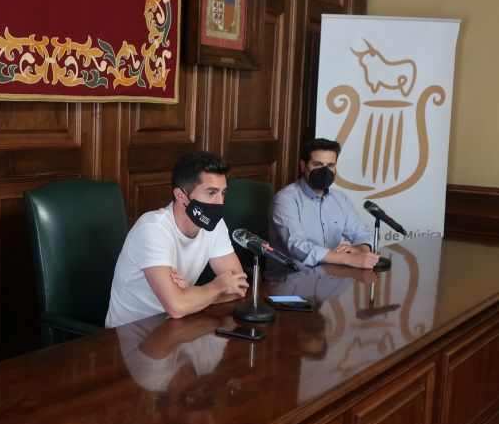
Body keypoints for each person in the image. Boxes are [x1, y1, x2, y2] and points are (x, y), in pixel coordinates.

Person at [105, 152, 248, 328]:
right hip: (127, 336)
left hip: (175, 327)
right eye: (211, 193)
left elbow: (239, 287)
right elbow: (177, 307)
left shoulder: (215, 225)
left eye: (223, 193)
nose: (219, 202)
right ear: (181, 195)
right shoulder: (152, 229)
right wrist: (218, 287)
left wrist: (192, 295)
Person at [269, 138, 380, 269]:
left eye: (330, 165)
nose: (325, 171)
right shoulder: (285, 199)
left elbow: (363, 233)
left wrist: (360, 250)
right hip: (292, 279)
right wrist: (348, 258)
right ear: (303, 166)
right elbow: (297, 246)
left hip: (330, 275)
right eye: (318, 165)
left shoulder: (340, 199)